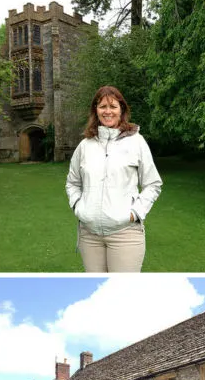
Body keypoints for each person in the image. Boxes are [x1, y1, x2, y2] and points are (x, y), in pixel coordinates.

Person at [65, 86, 162, 272]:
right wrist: (79, 207)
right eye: (102, 106)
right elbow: (72, 182)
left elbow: (153, 184)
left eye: (113, 106)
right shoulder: (85, 146)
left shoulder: (137, 142)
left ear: (122, 110)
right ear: (96, 110)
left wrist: (134, 213)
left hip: (125, 234)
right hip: (89, 235)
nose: (107, 111)